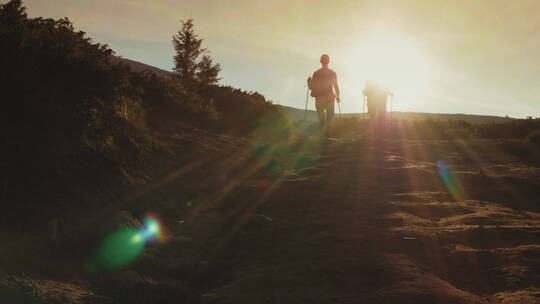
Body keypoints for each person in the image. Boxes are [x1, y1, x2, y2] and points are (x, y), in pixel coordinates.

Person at [308, 54, 341, 134]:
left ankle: (322, 138)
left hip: (319, 98)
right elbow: (336, 86)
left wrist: (309, 82)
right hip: (330, 97)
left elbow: (312, 87)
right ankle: (327, 136)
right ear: (328, 62)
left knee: (321, 119)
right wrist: (338, 96)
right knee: (330, 118)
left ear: (321, 61)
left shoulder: (316, 73)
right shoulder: (332, 73)